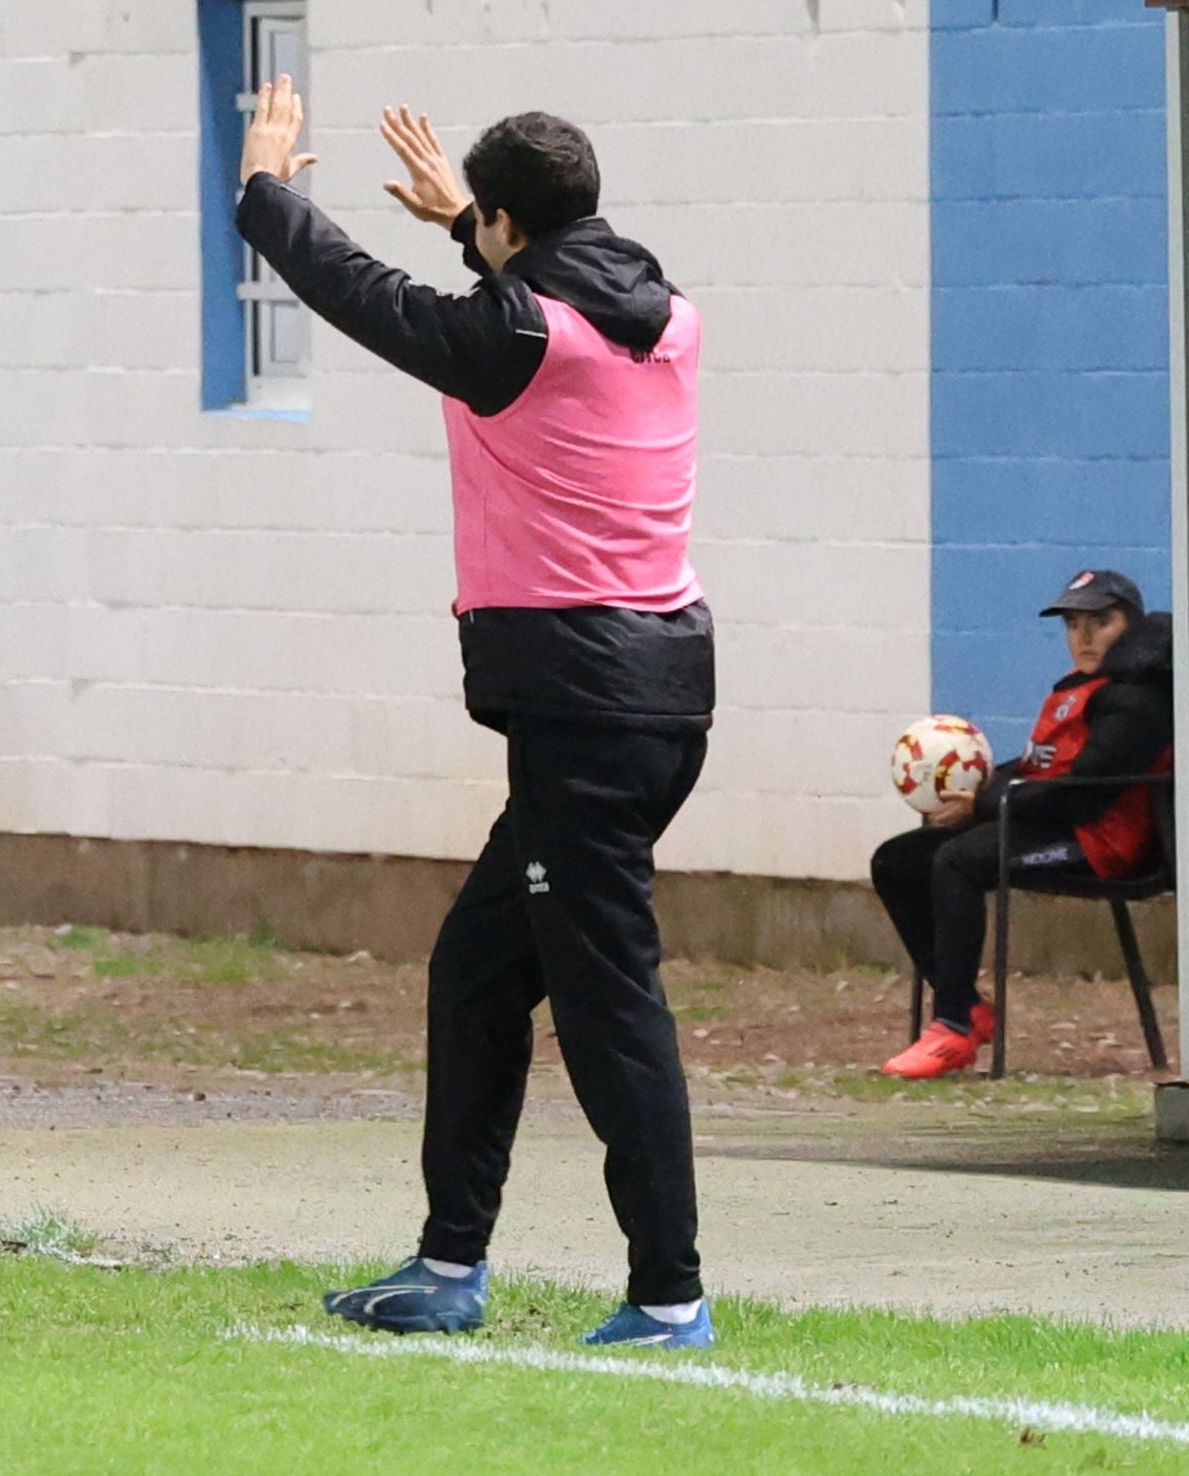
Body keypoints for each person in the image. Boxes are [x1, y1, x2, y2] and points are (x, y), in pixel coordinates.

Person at [236, 81, 715, 1348]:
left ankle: (669, 1293)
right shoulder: (669, 321)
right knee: (478, 970)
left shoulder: (519, 338)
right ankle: (450, 1266)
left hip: (584, 706)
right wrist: (472, 222)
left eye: (486, 230)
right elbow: (542, 293)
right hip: (658, 694)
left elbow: (369, 299)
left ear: (509, 223)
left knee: (611, 998)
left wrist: (266, 191)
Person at [874, 569, 1173, 1080]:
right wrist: (979, 787)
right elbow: (1043, 769)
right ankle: (965, 1004)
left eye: (1100, 622)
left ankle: (951, 1029)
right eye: (1073, 624)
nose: (1082, 637)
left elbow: (1082, 793)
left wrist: (988, 804)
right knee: (899, 861)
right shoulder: (1080, 687)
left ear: (1132, 624)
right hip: (1052, 820)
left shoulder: (1138, 697)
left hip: (1101, 843)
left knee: (959, 861)